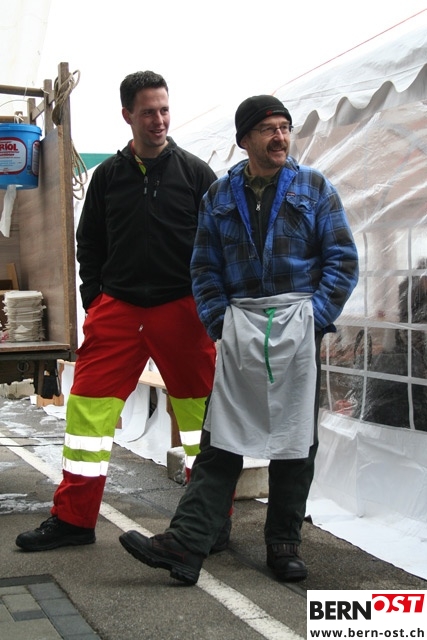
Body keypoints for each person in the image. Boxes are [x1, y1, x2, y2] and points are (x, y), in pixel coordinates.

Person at [118, 94, 359, 585]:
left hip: (298, 322)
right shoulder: (219, 196)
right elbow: (203, 267)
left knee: (296, 440)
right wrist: (220, 324)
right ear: (245, 139)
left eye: (285, 127)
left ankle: (284, 544)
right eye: (268, 129)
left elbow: (342, 259)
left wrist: (313, 318)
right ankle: (187, 544)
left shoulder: (314, 187)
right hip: (240, 322)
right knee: (220, 438)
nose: (280, 137)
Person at [15, 70, 222, 552]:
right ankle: (74, 520)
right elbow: (89, 242)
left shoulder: (196, 175)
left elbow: (218, 244)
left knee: (202, 419)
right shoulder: (108, 176)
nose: (159, 120)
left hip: (183, 310)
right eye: (148, 112)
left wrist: (206, 304)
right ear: (127, 115)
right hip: (119, 310)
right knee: (87, 412)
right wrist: (96, 299)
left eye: (164, 110)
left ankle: (210, 522)